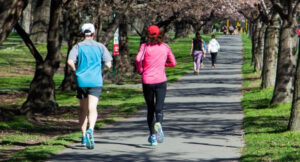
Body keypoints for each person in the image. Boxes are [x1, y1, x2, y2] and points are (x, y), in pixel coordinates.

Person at [67, 23, 113, 149]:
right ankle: (91, 130)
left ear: (82, 34)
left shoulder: (77, 46)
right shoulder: (100, 46)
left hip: (82, 81)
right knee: (93, 107)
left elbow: (70, 61)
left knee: (83, 109)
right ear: (93, 34)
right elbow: (109, 64)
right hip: (95, 81)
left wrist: (76, 70)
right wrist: (101, 65)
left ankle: (83, 136)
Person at [135, 25, 177, 146]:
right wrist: (164, 64)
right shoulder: (165, 47)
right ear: (159, 34)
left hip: (147, 80)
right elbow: (173, 63)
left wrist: (141, 69)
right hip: (161, 80)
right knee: (159, 108)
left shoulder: (144, 46)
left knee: (150, 108)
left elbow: (138, 59)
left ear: (148, 34)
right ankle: (159, 123)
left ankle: (152, 136)